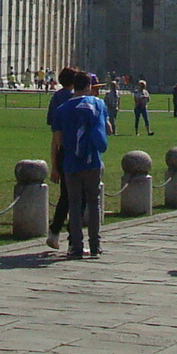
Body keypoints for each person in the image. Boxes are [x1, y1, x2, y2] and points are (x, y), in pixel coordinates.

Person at [50, 74, 110, 258]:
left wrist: (55, 165)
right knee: (94, 204)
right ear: (88, 86)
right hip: (92, 160)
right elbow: (108, 129)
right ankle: (95, 246)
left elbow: (57, 141)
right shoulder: (98, 104)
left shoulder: (61, 109)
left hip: (70, 162)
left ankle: (75, 246)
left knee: (74, 205)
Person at [43, 67, 79, 249]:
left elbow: (54, 134)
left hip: (61, 150)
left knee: (65, 196)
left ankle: (55, 232)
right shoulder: (77, 98)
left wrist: (54, 165)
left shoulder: (56, 97)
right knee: (80, 197)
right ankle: (74, 240)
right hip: (79, 152)